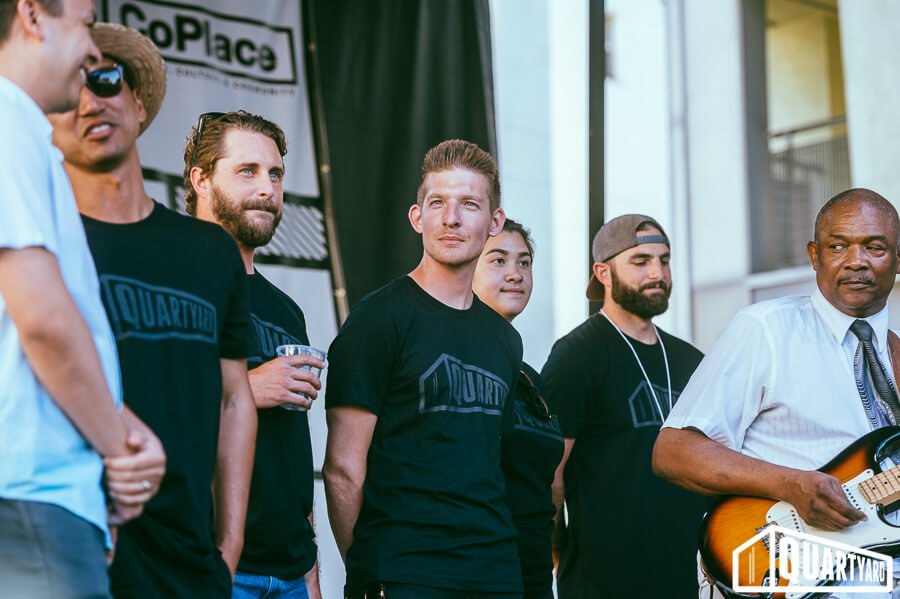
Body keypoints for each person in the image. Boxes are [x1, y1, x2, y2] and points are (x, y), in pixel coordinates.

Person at [48, 22, 258, 598]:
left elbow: (236, 397)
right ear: (47, 124)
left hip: (192, 562)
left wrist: (229, 545)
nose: (90, 101)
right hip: (80, 555)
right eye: (70, 91)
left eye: (105, 80)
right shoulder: (39, 250)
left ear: (138, 104)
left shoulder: (211, 250)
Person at [653, 188, 900, 598]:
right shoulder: (764, 329)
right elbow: (673, 451)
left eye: (875, 247)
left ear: (897, 257)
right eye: (838, 246)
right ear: (814, 256)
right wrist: (790, 485)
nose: (856, 260)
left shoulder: (894, 352)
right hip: (782, 570)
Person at [0, 3, 163, 597]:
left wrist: (120, 429)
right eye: (84, 23)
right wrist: (119, 450)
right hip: (29, 497)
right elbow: (42, 319)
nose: (93, 50)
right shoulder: (7, 120)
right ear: (32, 14)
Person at [323, 139, 524, 599]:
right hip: (405, 574)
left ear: (494, 222)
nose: (451, 218)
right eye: (437, 203)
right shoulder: (378, 321)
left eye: (468, 204)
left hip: (495, 573)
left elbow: (491, 463)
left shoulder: (504, 340)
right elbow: (342, 469)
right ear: (417, 217)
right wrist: (370, 571)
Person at [185, 110, 324, 599]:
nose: (267, 188)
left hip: (290, 572)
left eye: (276, 174)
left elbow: (293, 447)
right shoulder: (172, 279)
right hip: (209, 564)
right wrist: (247, 389)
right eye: (247, 171)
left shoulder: (287, 310)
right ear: (201, 180)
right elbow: (136, 405)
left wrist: (310, 564)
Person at [542, 214, 706, 598]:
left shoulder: (691, 361)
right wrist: (556, 553)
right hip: (603, 582)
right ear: (603, 273)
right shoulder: (577, 355)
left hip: (686, 579)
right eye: (640, 261)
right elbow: (549, 475)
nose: (657, 272)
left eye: (664, 260)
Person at [472, 218, 565, 599]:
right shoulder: (456, 364)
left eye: (524, 262)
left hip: (535, 575)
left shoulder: (530, 379)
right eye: (498, 260)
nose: (515, 273)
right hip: (478, 577)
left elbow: (546, 485)